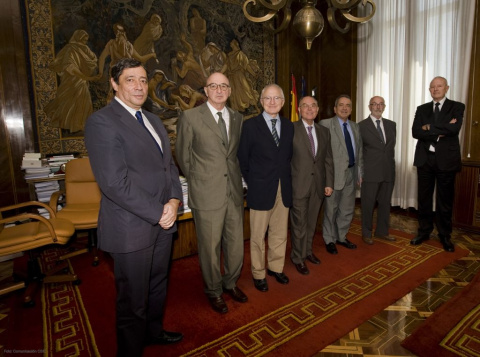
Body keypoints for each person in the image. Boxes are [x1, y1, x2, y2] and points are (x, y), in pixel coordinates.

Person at [84, 58, 183, 357]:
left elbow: (170, 168)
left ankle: (153, 333)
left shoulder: (153, 119)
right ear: (114, 83)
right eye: (131, 80)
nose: (139, 86)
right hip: (132, 226)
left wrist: (175, 201)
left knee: (157, 285)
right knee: (132, 298)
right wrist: (158, 212)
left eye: (143, 80)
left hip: (164, 220)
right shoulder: (102, 121)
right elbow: (114, 183)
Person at [175, 72, 247, 314]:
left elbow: (233, 156)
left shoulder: (237, 118)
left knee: (236, 245)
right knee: (210, 247)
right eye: (213, 86)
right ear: (205, 91)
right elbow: (183, 156)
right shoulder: (190, 117)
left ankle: (230, 282)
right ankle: (214, 291)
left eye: (224, 86)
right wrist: (200, 180)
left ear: (229, 90)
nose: (219, 90)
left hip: (234, 192)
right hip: (206, 193)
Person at [238, 84, 294, 292]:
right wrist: (254, 182)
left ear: (282, 102)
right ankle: (258, 273)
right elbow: (242, 159)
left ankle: (276, 268)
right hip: (260, 189)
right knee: (258, 236)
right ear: (261, 102)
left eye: (276, 98)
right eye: (268, 98)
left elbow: (288, 158)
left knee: (280, 232)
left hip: (283, 188)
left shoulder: (289, 126)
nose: (272, 102)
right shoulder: (250, 126)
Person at [411, 76, 464, 252]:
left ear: (446, 88)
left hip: (446, 161)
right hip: (425, 160)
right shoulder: (422, 109)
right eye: (432, 87)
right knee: (424, 199)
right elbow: (415, 132)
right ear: (429, 90)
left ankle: (444, 235)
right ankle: (424, 231)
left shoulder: (457, 107)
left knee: (444, 201)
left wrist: (429, 127)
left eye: (439, 86)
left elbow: (454, 129)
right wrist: (441, 129)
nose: (435, 89)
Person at [290, 96, 334, 275]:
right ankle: (297, 257)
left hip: (318, 186)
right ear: (299, 109)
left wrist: (329, 183)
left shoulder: (324, 132)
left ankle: (307, 252)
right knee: (299, 224)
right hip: (298, 185)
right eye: (305, 106)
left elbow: (328, 160)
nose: (309, 109)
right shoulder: (291, 129)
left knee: (310, 223)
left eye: (313, 106)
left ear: (318, 109)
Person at [320, 95, 363, 255]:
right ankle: (329, 239)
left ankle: (341, 236)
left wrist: (360, 172)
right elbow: (321, 153)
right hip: (334, 175)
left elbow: (359, 152)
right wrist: (325, 178)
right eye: (341, 105)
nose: (344, 108)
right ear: (335, 108)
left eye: (348, 106)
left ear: (351, 109)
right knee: (331, 209)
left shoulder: (355, 126)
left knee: (347, 209)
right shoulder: (325, 124)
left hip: (352, 173)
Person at [358, 96, 397, 244]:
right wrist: (360, 172)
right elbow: (359, 151)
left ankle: (382, 232)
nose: (378, 107)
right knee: (368, 204)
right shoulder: (361, 126)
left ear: (384, 107)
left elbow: (389, 149)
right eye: (375, 104)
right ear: (369, 107)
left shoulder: (392, 125)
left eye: (381, 104)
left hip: (388, 171)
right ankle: (366, 233)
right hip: (370, 172)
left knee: (385, 203)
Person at [44, 29, 98, 133]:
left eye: (86, 40)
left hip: (82, 80)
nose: (85, 42)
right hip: (72, 80)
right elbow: (69, 66)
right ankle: (70, 124)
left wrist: (87, 74)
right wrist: (85, 77)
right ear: (78, 38)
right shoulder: (70, 48)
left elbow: (92, 60)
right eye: (83, 39)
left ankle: (81, 124)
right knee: (71, 101)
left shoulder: (85, 49)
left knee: (83, 101)